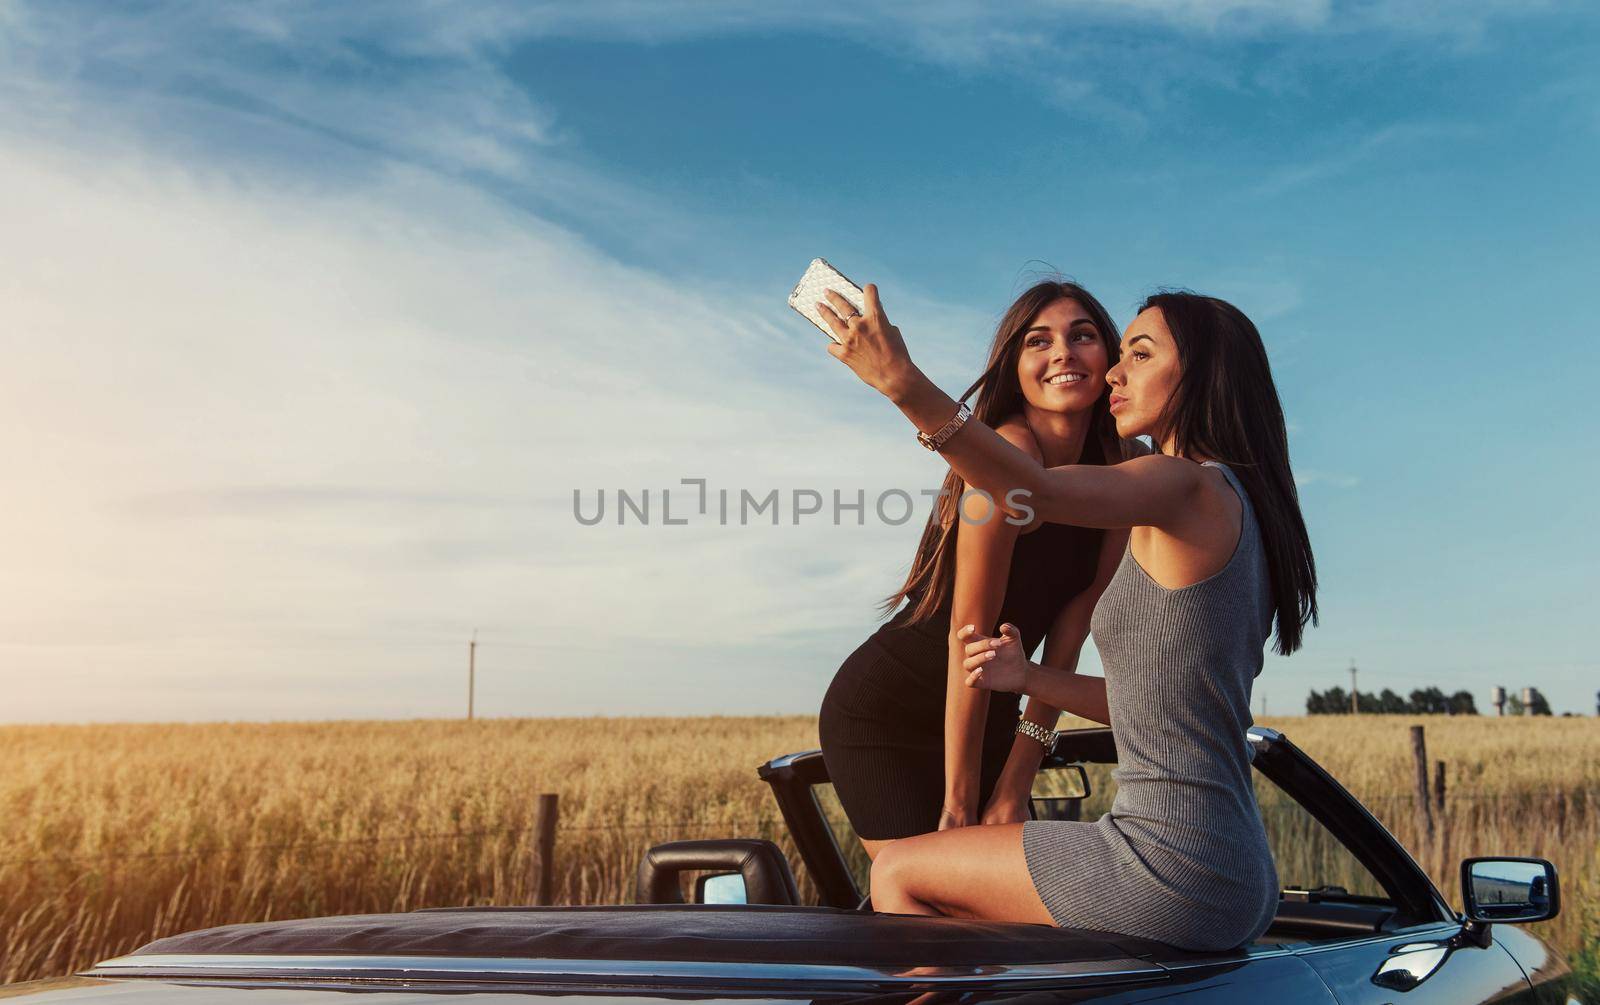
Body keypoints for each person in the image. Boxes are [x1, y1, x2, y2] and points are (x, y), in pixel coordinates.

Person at [814, 284, 1317, 951]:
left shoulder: (1184, 485)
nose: (1113, 370)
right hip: (1238, 875)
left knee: (901, 870)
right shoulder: (1232, 503)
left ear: (1202, 372)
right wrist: (1030, 677)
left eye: (1138, 354)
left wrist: (903, 385)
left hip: (1166, 864)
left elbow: (1037, 492)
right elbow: (1155, 704)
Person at [819, 282, 1135, 861]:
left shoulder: (1120, 468)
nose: (1063, 352)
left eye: (1082, 335)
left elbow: (1069, 634)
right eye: (1039, 341)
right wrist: (959, 804)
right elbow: (972, 636)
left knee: (994, 925)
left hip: (992, 710)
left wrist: (1015, 783)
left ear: (1109, 360)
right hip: (887, 709)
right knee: (930, 906)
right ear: (1016, 369)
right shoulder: (1004, 455)